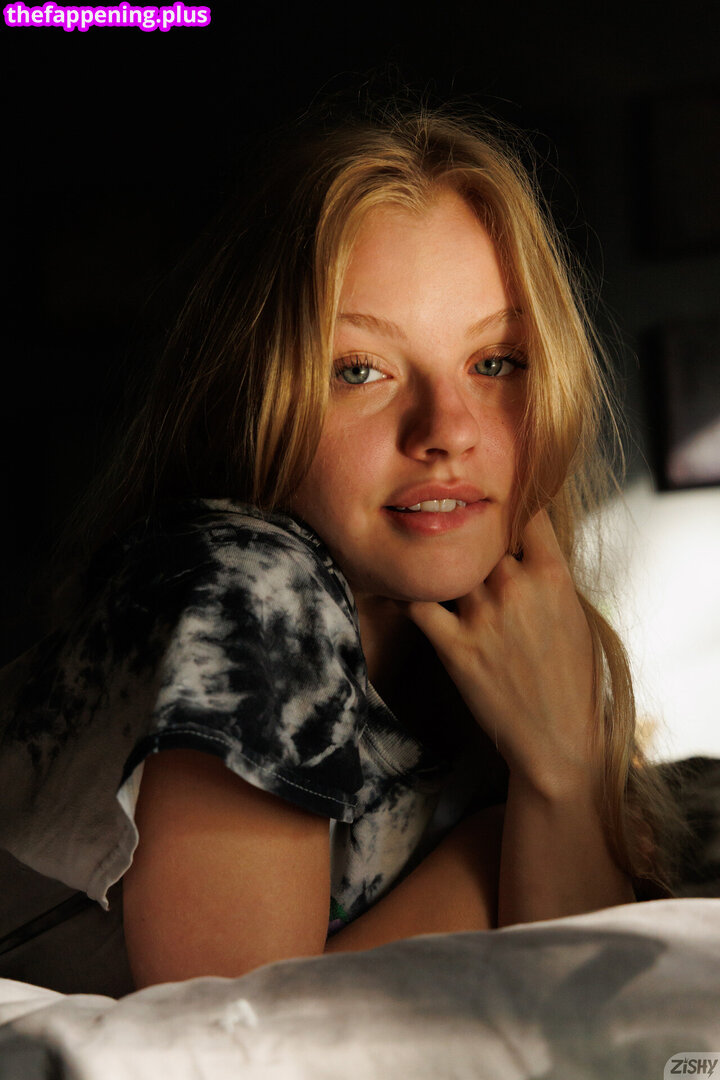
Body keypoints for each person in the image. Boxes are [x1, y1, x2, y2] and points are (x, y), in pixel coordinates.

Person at [0, 104, 679, 997]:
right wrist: (497, 856)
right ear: (256, 395)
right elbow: (235, 1041)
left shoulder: (516, 645)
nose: (447, 431)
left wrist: (560, 776)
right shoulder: (251, 582)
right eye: (360, 369)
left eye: (495, 362)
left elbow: (589, 1013)